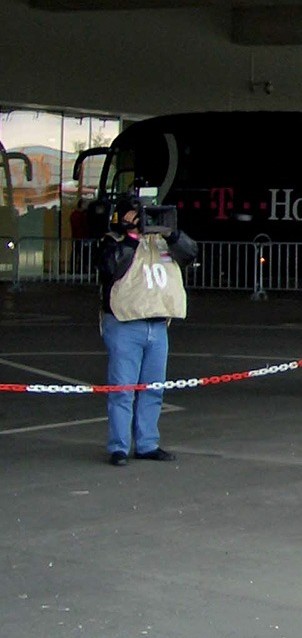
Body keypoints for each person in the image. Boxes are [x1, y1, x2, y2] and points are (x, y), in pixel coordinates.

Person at [95, 197, 198, 466]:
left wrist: (171, 233)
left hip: (158, 323)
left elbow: (190, 253)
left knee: (153, 389)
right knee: (123, 390)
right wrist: (130, 237)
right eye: (136, 212)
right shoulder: (112, 240)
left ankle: (147, 443)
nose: (143, 218)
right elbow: (111, 268)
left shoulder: (163, 241)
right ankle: (118, 446)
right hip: (125, 323)